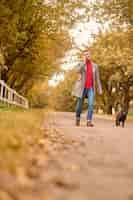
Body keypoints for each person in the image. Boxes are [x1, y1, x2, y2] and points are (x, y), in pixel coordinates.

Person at [72, 50, 103, 127]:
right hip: (81, 88)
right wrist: (84, 62)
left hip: (91, 88)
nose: (87, 56)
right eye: (85, 55)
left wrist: (100, 89)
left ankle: (89, 121)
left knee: (91, 104)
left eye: (88, 54)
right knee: (79, 105)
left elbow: (97, 78)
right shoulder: (80, 64)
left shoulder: (95, 66)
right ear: (83, 56)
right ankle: (77, 118)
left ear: (90, 55)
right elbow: (77, 70)